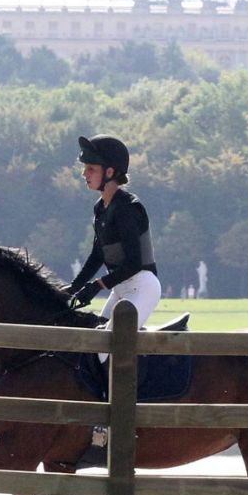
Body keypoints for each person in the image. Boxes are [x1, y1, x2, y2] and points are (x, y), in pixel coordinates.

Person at [64, 135, 161, 344]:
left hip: (142, 287)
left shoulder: (127, 208)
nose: (84, 173)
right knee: (92, 346)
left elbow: (134, 263)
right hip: (120, 288)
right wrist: (73, 287)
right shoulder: (100, 208)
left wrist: (98, 285)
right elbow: (97, 255)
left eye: (91, 169)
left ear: (109, 172)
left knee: (105, 348)